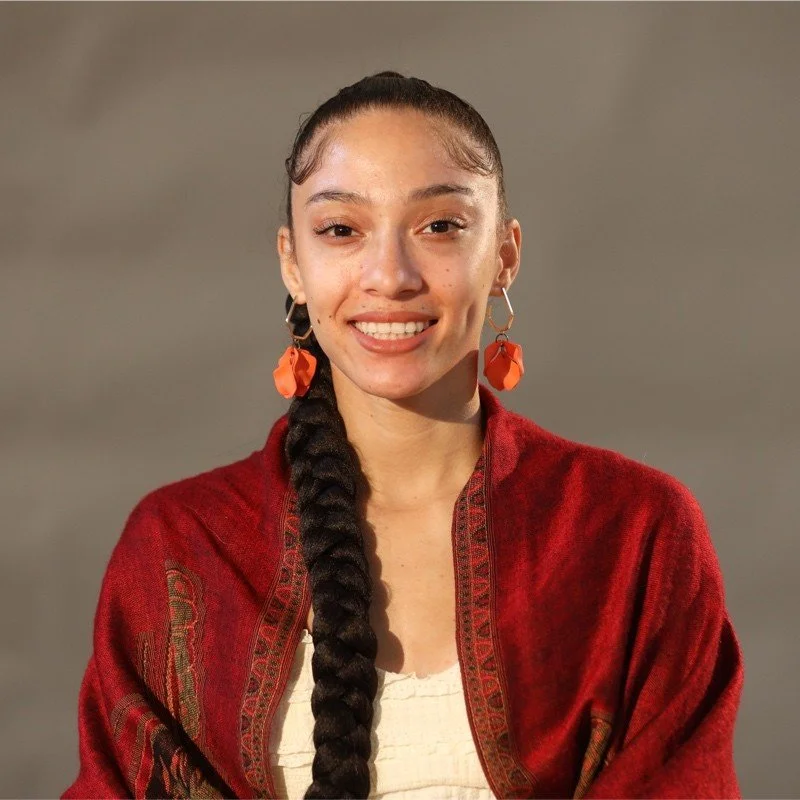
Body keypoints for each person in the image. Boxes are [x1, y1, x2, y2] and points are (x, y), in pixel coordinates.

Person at [62, 71, 744, 800]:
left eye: (440, 226)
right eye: (341, 230)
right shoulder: (180, 548)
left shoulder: (632, 532)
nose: (389, 276)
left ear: (505, 255)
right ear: (293, 263)